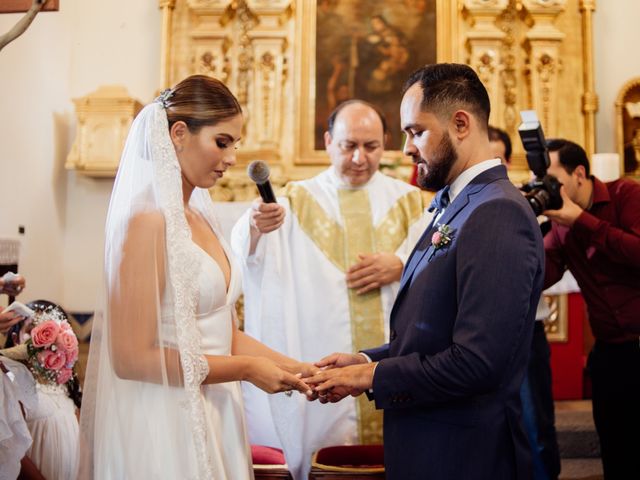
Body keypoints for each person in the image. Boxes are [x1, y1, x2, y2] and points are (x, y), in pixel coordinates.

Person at [303, 63, 544, 479]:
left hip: (464, 455)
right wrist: (364, 358)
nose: (408, 148)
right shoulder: (461, 202)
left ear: (461, 123)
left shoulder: (497, 211)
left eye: (416, 131)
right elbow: (432, 331)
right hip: (431, 442)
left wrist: (370, 375)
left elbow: (476, 361)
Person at [78, 75, 316, 480]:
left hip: (217, 408)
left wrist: (300, 370)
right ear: (179, 133)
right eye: (222, 142)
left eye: (235, 146)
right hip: (165, 419)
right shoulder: (145, 222)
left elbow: (223, 332)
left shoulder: (202, 217)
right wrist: (244, 370)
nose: (231, 159)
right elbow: (130, 359)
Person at [231, 99, 428, 479]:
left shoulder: (407, 201)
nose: (359, 158)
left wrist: (401, 265)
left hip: (386, 353)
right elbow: (251, 256)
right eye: (348, 145)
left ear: (386, 143)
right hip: (320, 347)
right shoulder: (297, 198)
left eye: (371, 147)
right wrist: (256, 226)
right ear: (328, 141)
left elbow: (437, 263)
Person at [542, 138, 640, 480]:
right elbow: (540, 273)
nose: (548, 189)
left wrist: (581, 220)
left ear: (579, 173)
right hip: (611, 354)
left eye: (552, 181)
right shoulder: (559, 225)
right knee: (616, 452)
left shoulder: (626, 195)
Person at [489, 125, 561, 480]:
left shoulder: (527, 203)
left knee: (535, 424)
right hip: (479, 336)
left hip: (525, 330)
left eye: (499, 157)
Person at [2, 301, 82, 480]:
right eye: (32, 328)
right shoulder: (11, 381)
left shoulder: (65, 385)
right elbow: (12, 446)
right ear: (16, 339)